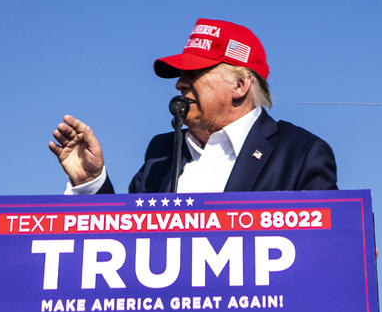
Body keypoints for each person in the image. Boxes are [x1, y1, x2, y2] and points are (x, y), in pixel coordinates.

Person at [49, 18, 338, 194]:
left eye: (194, 74)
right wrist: (89, 182)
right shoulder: (160, 154)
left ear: (240, 86)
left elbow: (327, 246)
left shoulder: (300, 152)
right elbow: (125, 245)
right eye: (179, 76)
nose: (180, 85)